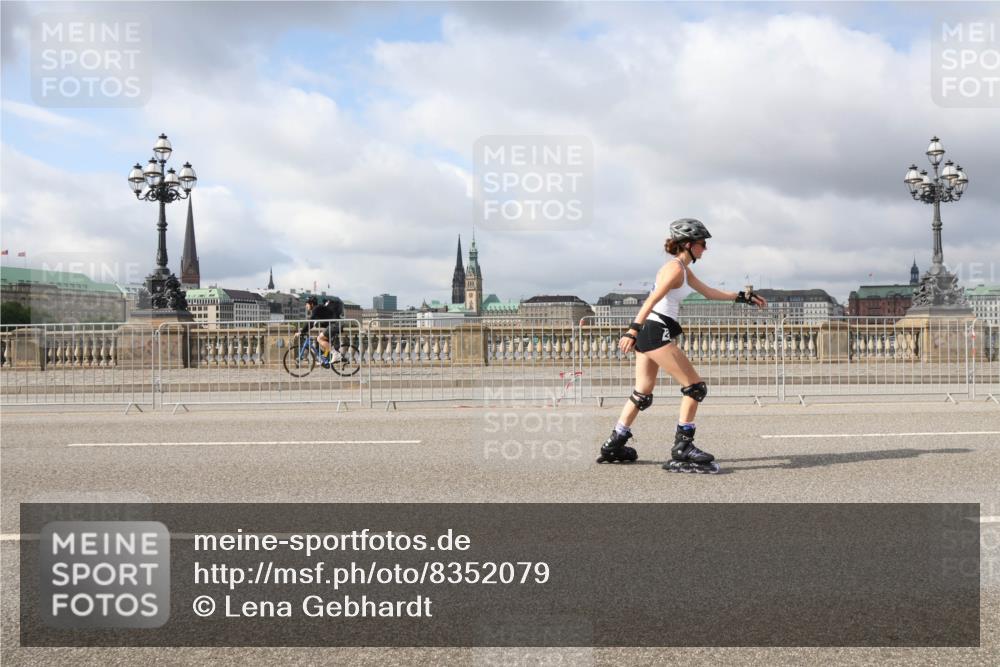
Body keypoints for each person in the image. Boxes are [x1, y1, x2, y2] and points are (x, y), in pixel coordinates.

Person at [596, 218, 767, 473]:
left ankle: (615, 442)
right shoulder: (675, 269)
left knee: (642, 393)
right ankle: (683, 447)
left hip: (652, 331)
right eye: (702, 244)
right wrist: (632, 330)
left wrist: (742, 297)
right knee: (695, 388)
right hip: (655, 331)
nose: (705, 249)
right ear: (688, 244)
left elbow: (709, 293)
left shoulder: (683, 270)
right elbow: (652, 299)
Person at [302, 296, 344, 363]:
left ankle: (336, 354)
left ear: (311, 304)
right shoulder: (318, 309)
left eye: (307, 304)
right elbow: (312, 324)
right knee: (324, 342)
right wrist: (304, 330)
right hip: (336, 324)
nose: (306, 306)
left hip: (335, 325)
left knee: (319, 339)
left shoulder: (316, 309)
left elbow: (310, 322)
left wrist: (301, 332)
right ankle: (324, 358)